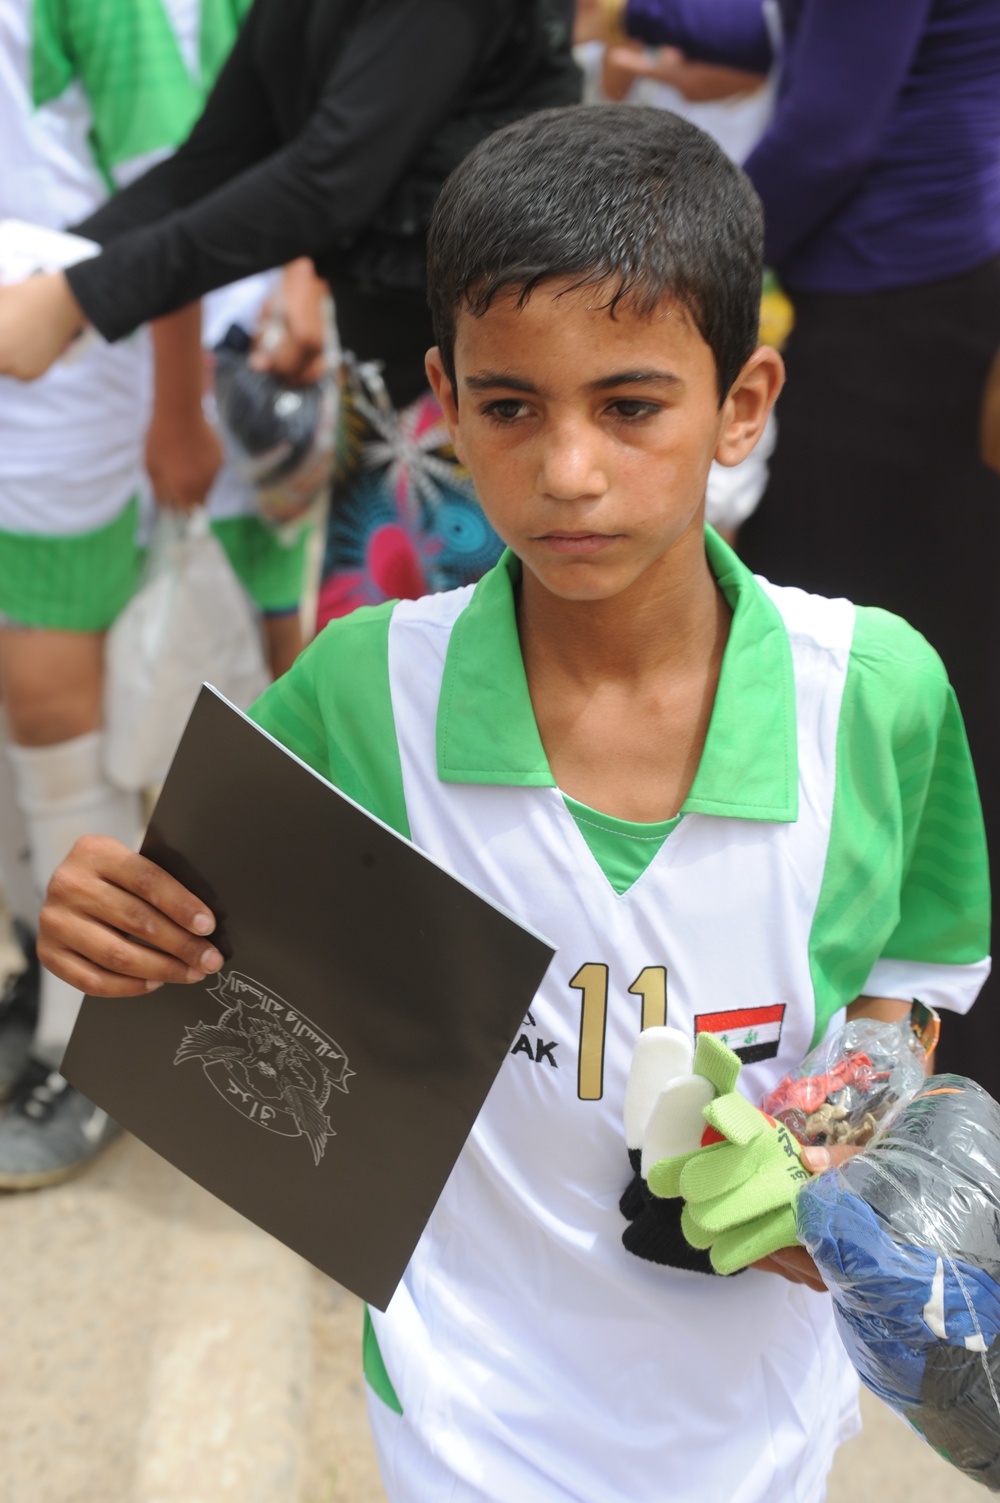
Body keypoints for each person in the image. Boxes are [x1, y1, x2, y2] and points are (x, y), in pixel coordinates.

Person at [37, 107, 990, 1502]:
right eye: (509, 405)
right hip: (463, 1408)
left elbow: (909, 979)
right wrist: (107, 918)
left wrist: (822, 1141)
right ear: (445, 395)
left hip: (763, 1412)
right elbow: (195, 953)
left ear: (743, 400)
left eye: (631, 404)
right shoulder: (365, 690)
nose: (568, 471)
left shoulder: (878, 693)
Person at [576, 0, 1000, 1100]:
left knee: (886, 700)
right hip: (895, 287)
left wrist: (648, 290)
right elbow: (762, 37)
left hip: (905, 314)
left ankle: (907, 1085)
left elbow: (833, 129)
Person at [0, 0, 581, 625]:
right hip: (384, 382)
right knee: (378, 668)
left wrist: (83, 296)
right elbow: (213, 159)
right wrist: (51, 275)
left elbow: (331, 178)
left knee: (475, 665)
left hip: (492, 386)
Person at [0, 0, 239, 1185]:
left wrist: (175, 401)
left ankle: (79, 1038)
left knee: (50, 699)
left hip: (63, 375)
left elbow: (179, 196)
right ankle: (27, 976)